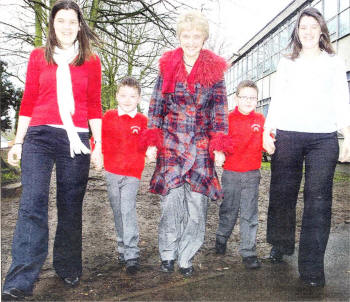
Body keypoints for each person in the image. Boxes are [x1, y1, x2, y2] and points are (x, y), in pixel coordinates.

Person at [2, 0, 103, 300]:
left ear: (80, 26)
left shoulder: (92, 61)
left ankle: (67, 264)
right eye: (61, 21)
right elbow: (29, 101)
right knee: (32, 204)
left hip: (77, 139)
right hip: (39, 138)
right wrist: (18, 142)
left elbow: (95, 107)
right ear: (53, 25)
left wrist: (98, 146)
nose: (67, 27)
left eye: (73, 21)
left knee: (70, 206)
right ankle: (20, 280)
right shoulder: (37, 57)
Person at [263, 7, 350, 288]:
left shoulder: (334, 62)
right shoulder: (287, 62)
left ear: (322, 30)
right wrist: (268, 131)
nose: (309, 31)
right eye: (303, 27)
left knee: (318, 201)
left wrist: (347, 136)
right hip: (288, 134)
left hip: (323, 139)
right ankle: (281, 244)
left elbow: (342, 100)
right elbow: (277, 100)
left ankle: (312, 270)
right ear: (297, 32)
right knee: (282, 192)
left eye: (314, 26)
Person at [146, 10, 228, 278]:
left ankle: (186, 255)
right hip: (171, 142)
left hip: (201, 146)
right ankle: (168, 253)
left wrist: (219, 147)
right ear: (179, 37)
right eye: (186, 36)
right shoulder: (168, 65)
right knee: (171, 204)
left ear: (203, 38)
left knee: (197, 206)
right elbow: (156, 104)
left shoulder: (215, 69)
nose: (191, 41)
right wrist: (151, 140)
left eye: (196, 36)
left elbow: (220, 110)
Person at [100, 77, 162, 275]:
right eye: (124, 95)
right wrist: (97, 153)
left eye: (132, 96)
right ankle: (122, 247)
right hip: (111, 172)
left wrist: (151, 151)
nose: (128, 100)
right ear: (117, 96)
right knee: (117, 210)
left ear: (139, 98)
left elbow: (150, 143)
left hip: (132, 174)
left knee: (127, 209)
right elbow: (98, 140)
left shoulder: (143, 121)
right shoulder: (108, 116)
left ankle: (132, 254)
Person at [214, 80, 265, 270]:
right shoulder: (227, 119)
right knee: (229, 209)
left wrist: (271, 142)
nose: (248, 101)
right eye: (244, 97)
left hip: (252, 174)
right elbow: (218, 140)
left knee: (249, 213)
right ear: (236, 98)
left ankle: (248, 251)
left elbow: (268, 139)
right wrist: (218, 152)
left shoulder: (260, 120)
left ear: (257, 100)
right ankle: (221, 237)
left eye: (252, 98)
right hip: (231, 174)